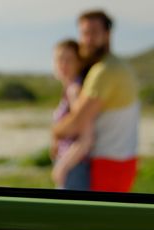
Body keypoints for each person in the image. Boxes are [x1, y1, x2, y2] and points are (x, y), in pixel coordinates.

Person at [53, 10, 140, 192]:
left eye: (93, 32)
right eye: (84, 33)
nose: (88, 39)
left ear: (107, 34)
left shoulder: (103, 71)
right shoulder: (120, 65)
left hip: (107, 163)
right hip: (122, 160)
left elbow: (77, 124)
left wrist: (55, 132)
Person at [51, 39, 93, 190]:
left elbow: (86, 138)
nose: (63, 64)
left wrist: (62, 165)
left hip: (75, 166)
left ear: (79, 62)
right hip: (71, 164)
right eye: (59, 59)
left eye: (68, 59)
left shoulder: (75, 90)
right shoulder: (68, 89)